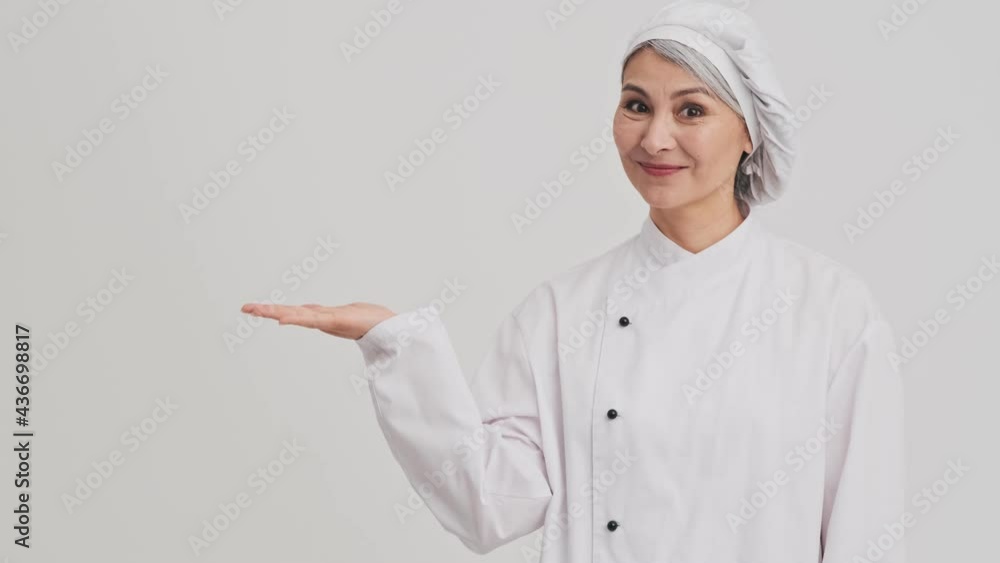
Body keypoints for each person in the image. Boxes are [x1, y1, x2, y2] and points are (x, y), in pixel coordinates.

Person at [241, 2, 906, 561]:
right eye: (636, 105)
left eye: (691, 110)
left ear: (751, 131)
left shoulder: (829, 312)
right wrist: (394, 344)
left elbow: (864, 532)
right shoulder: (562, 313)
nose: (655, 138)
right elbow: (491, 506)